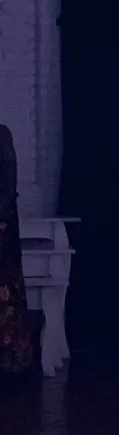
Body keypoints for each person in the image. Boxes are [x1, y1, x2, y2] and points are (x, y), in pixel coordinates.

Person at [0, 124, 36, 384]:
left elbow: (7, 187)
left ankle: (11, 366)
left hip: (2, 231)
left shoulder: (1, 136)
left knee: (7, 298)